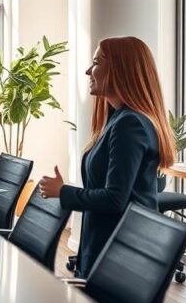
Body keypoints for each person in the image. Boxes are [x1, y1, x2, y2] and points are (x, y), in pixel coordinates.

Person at [38, 36, 174, 278]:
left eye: (96, 62)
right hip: (110, 247)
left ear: (120, 69)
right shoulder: (117, 120)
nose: (88, 70)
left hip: (121, 255)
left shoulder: (129, 124)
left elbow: (114, 199)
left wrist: (63, 191)